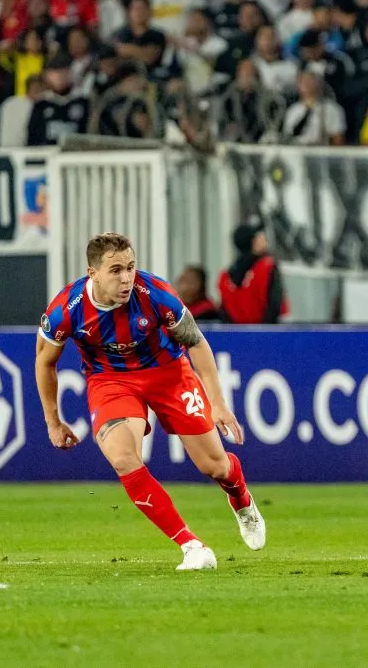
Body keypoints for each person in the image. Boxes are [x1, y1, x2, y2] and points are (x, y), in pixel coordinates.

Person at [35, 233, 266, 571]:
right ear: (93, 273)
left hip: (169, 373)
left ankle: (241, 499)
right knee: (123, 458)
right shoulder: (66, 309)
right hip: (110, 381)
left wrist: (217, 402)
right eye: (116, 270)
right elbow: (44, 362)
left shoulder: (155, 294)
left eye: (130, 267)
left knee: (214, 466)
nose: (126, 278)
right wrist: (53, 422)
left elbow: (196, 343)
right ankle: (191, 546)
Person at [218, 222, 290, 323]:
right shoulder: (267, 268)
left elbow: (224, 313)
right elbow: (275, 305)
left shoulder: (225, 278)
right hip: (267, 331)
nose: (264, 239)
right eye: (259, 236)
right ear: (253, 242)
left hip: (235, 331)